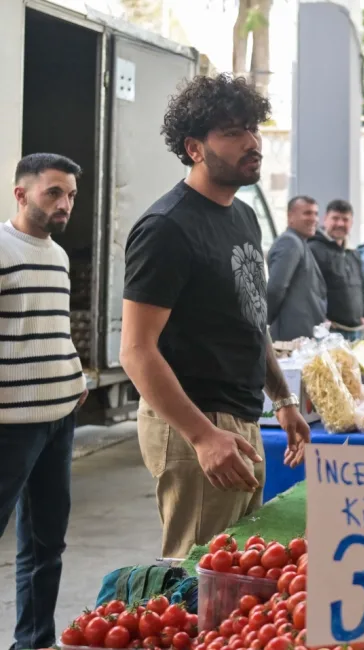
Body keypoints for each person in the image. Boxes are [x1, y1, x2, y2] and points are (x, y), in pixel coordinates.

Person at [120, 74, 311, 559]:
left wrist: (283, 399)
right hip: (195, 420)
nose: (252, 143)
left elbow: (251, 319)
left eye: (253, 128)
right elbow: (136, 351)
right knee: (197, 576)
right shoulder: (166, 227)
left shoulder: (242, 216)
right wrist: (203, 436)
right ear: (195, 148)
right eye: (232, 132)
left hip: (243, 418)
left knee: (236, 571)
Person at [0, 153, 88, 650]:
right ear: (21, 193)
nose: (65, 203)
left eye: (71, 195)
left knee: (46, 544)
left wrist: (74, 376)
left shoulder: (57, 254)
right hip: (11, 423)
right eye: (54, 192)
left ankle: (33, 642)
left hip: (58, 419)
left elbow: (53, 330)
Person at [266, 195, 326, 341]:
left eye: (316, 214)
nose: (314, 219)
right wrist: (265, 321)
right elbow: (276, 288)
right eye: (307, 213)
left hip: (304, 335)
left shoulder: (300, 243)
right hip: (292, 338)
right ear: (290, 217)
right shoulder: (289, 242)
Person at [309, 199, 364, 342]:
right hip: (330, 332)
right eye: (335, 218)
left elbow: (361, 286)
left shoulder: (354, 253)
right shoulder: (313, 249)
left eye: (345, 219)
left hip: (356, 331)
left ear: (351, 223)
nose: (340, 224)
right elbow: (309, 289)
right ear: (325, 219)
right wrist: (321, 318)